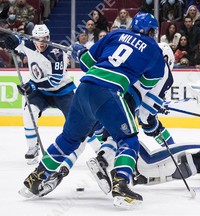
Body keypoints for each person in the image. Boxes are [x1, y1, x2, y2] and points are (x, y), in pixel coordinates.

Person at [16, 12, 166, 209]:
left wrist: (80, 52)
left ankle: (36, 177)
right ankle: (121, 184)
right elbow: (147, 82)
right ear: (151, 31)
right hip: (109, 92)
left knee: (69, 140)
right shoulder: (154, 49)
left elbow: (87, 63)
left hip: (84, 88)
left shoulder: (115, 34)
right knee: (128, 139)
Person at [2, 24, 76, 165]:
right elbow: (18, 41)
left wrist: (32, 85)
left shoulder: (57, 53)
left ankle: (99, 151)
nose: (41, 42)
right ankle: (32, 147)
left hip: (62, 92)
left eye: (44, 39)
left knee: (76, 120)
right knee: (29, 112)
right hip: (41, 92)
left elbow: (54, 81)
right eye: (37, 39)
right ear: (33, 38)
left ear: (48, 37)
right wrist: (11, 40)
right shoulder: (29, 44)